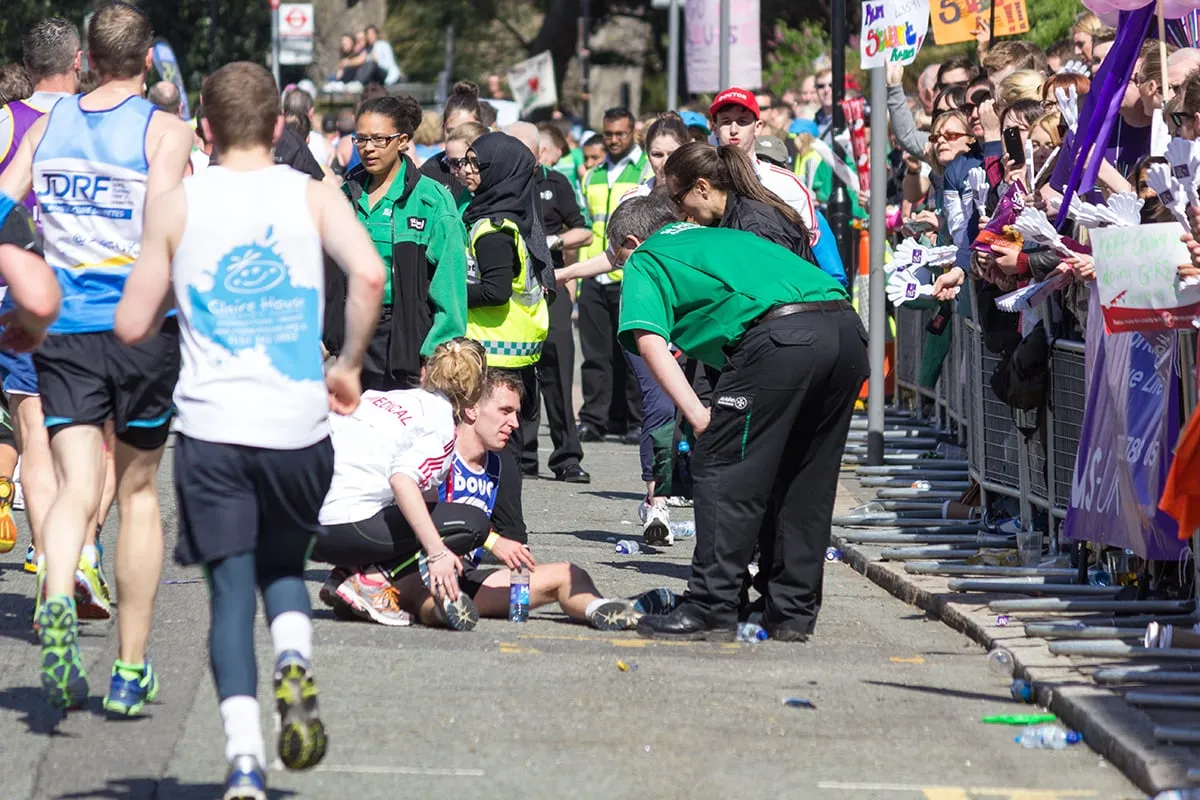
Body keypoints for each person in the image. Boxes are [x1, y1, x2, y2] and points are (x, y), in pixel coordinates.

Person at [113, 60, 386, 798]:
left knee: (230, 594)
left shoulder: (174, 205)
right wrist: (350, 365)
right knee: (283, 570)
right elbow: (368, 276)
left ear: (204, 128)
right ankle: (294, 657)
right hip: (298, 425)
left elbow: (134, 322)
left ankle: (242, 764)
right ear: (277, 128)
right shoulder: (312, 194)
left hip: (212, 429)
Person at [0, 1, 194, 714]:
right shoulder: (165, 132)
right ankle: (128, 671)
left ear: (85, 57)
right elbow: (172, 228)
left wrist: (24, 267)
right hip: (141, 326)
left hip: (64, 329)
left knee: (72, 480)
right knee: (138, 495)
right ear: (147, 61)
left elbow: (1, 198)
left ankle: (54, 593)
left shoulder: (49, 123)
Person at [608, 195, 867, 641]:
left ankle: (711, 605)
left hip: (781, 339)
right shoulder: (723, 236)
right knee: (804, 478)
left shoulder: (646, 256)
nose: (621, 269)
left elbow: (649, 340)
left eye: (618, 260)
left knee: (722, 469)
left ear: (631, 241)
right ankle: (789, 613)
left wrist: (698, 415)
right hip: (845, 331)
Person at [386, 367, 672, 630]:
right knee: (424, 592)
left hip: (463, 580)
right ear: (472, 409)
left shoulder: (496, 464)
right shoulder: (441, 450)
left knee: (568, 574)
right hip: (417, 571)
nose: (513, 422)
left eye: (516, 413)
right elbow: (415, 507)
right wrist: (493, 541)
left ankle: (608, 610)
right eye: (505, 411)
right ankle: (440, 611)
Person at [0, 17, 113, 602]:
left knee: (36, 440)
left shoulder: (8, 122)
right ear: (78, 63)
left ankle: (51, 568)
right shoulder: (104, 122)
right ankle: (82, 553)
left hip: (17, 295)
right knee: (97, 442)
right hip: (96, 297)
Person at [314, 338, 492, 629]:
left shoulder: (379, 397)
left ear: (426, 371)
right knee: (472, 522)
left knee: (414, 506)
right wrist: (436, 553)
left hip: (306, 527)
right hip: (347, 527)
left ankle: (346, 574)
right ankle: (372, 582)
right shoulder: (440, 423)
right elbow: (403, 480)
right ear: (473, 396)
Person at [336, 95, 468, 391]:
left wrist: (436, 352)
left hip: (404, 338)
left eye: (380, 139)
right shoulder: (344, 195)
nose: (368, 148)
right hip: (349, 338)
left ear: (403, 140)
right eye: (361, 139)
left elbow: (450, 286)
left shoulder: (432, 200)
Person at [462, 132, 554, 545]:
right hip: (515, 356)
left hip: (494, 355)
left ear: (497, 170)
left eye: (474, 163)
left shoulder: (493, 228)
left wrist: (441, 289)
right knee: (505, 451)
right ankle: (506, 532)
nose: (466, 170)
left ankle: (510, 533)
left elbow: (495, 291)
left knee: (498, 453)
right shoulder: (513, 216)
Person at [505, 122, 593, 484]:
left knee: (558, 368)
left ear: (537, 151)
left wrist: (554, 244)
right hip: (510, 288)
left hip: (550, 284)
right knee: (518, 371)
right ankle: (523, 456)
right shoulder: (497, 184)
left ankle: (567, 457)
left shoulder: (554, 182)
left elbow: (583, 230)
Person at [576, 107, 649, 445]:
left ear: (633, 132)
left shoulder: (644, 169)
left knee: (632, 352)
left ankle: (635, 420)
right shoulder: (593, 174)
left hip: (628, 273)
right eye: (609, 134)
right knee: (595, 354)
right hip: (595, 272)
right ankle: (594, 419)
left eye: (620, 133)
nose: (614, 140)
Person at [419, 81, 483, 194]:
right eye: (451, 131)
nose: (458, 136)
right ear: (442, 128)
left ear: (481, 127)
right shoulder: (429, 173)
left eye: (466, 129)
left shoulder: (496, 166)